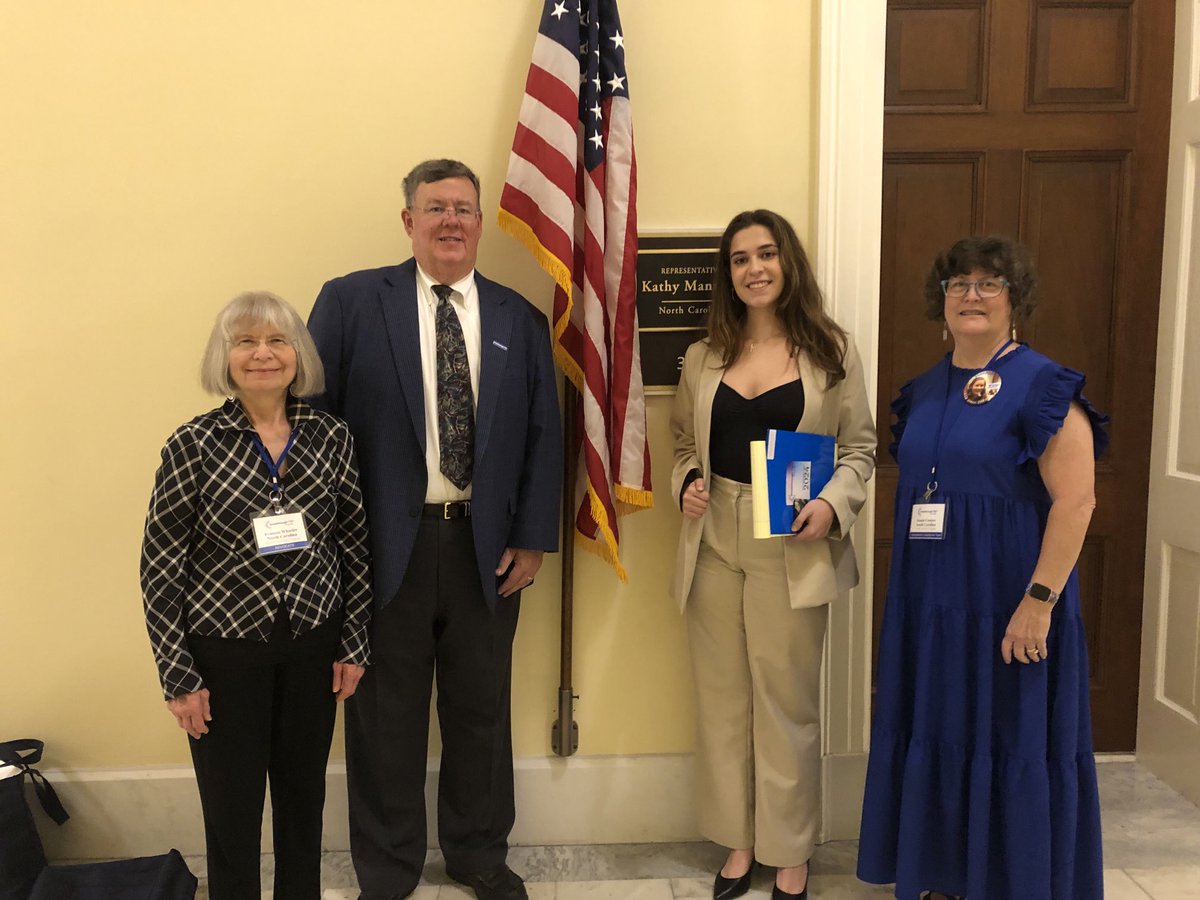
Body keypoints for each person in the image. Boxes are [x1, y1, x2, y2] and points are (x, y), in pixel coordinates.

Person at [307, 158, 561, 900]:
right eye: (435, 207)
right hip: (385, 549)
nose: (451, 220)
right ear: (408, 221)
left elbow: (544, 437)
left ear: (481, 223)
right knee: (384, 717)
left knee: (481, 710)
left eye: (464, 208)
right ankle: (387, 869)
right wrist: (330, 545)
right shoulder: (352, 303)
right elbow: (314, 426)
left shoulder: (519, 318)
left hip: (488, 551)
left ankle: (479, 853)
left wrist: (535, 536)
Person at [856, 236, 1108, 899]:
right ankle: (943, 871)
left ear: (1014, 301)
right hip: (932, 602)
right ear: (940, 303)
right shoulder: (925, 389)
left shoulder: (1043, 386)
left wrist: (1039, 600)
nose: (972, 295)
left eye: (989, 284)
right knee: (939, 726)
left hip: (1008, 601)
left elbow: (1076, 503)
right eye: (959, 284)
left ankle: (1008, 880)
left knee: (1007, 731)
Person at [670, 209, 876, 900]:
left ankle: (790, 854)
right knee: (724, 704)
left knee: (785, 705)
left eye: (766, 254)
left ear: (787, 262)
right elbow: (679, 448)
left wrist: (833, 504)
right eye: (739, 259)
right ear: (727, 274)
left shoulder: (830, 352)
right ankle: (739, 843)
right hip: (714, 541)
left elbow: (860, 449)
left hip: (791, 540)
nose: (753, 268)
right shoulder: (703, 357)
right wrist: (687, 486)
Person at [141, 291, 373, 900]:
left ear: (298, 354)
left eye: (277, 340)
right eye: (246, 341)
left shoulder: (330, 437)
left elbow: (354, 546)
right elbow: (160, 566)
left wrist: (353, 644)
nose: (262, 354)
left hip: (311, 648)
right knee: (231, 809)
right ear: (226, 356)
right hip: (223, 654)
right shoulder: (193, 445)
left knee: (303, 800)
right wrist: (177, 675)